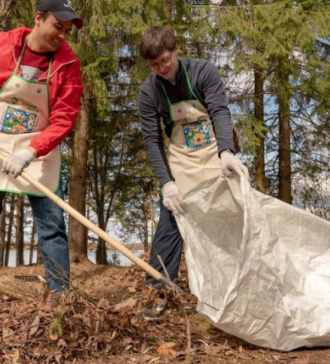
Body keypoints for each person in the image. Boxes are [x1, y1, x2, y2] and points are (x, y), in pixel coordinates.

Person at [0, 0, 84, 297]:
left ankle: (60, 300)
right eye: (57, 26)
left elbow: (64, 117)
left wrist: (30, 151)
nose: (62, 35)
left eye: (67, 31)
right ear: (38, 18)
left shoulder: (68, 63)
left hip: (37, 149)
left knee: (52, 228)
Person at [137, 26, 249, 319]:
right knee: (170, 224)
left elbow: (220, 111)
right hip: (182, 161)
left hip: (214, 155)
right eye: (153, 65)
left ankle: (242, 289)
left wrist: (226, 151)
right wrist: (166, 184)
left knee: (231, 221)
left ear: (175, 50)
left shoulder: (203, 72)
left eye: (165, 61)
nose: (161, 69)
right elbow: (151, 140)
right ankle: (157, 292)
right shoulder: (148, 91)